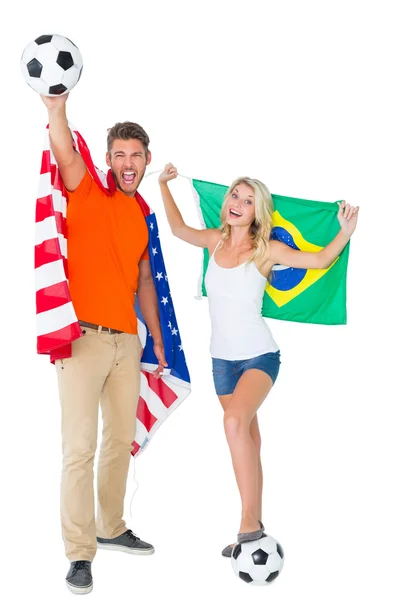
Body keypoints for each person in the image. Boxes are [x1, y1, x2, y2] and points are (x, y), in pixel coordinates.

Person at [158, 163, 359, 556]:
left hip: (260, 357)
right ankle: (253, 521)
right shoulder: (215, 241)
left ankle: (247, 527)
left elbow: (318, 262)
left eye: (248, 201)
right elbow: (180, 230)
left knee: (233, 422)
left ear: (256, 212)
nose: (238, 203)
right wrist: (165, 185)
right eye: (235, 195)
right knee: (247, 439)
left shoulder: (265, 248)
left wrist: (345, 232)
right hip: (221, 363)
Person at [41, 93, 168, 595]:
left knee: (118, 442)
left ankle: (110, 527)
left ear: (146, 160)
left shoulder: (141, 214)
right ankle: (79, 553)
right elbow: (65, 153)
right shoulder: (86, 192)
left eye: (136, 154)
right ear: (108, 158)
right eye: (119, 154)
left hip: (127, 345)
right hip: (83, 342)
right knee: (79, 450)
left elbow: (143, 284)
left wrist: (155, 341)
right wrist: (56, 109)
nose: (127, 162)